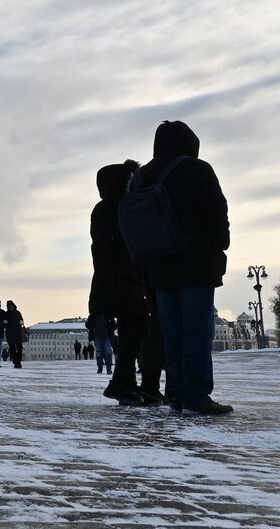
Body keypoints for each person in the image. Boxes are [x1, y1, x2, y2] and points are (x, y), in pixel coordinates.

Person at [135, 121, 232, 415]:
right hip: (195, 264)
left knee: (171, 332)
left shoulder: (142, 175)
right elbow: (215, 211)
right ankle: (196, 394)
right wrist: (221, 241)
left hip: (159, 267)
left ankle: (176, 392)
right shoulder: (198, 169)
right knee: (196, 331)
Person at [89, 159, 163, 406]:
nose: (131, 183)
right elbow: (102, 251)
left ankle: (127, 384)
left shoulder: (118, 207)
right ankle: (120, 383)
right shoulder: (108, 210)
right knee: (138, 329)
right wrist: (107, 285)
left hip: (128, 278)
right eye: (128, 180)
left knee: (134, 330)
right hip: (119, 280)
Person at [4, 301, 25, 368]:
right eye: (9, 307)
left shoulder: (18, 313)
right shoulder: (6, 314)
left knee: (19, 348)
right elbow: (4, 324)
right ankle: (15, 362)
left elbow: (21, 321)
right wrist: (5, 323)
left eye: (12, 306)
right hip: (10, 334)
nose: (11, 308)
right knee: (12, 349)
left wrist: (21, 322)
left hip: (18, 333)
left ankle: (19, 361)